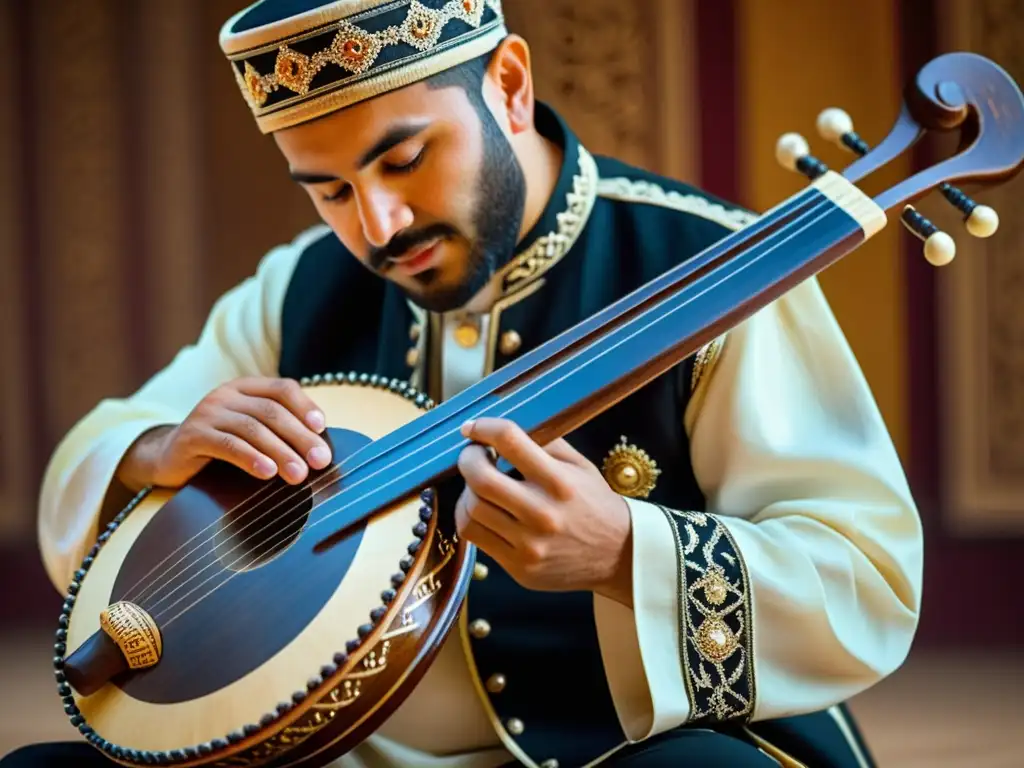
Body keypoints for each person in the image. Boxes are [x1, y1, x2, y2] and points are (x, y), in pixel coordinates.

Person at [3, 0, 922, 766]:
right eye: (327, 190)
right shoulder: (302, 285)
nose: (378, 225)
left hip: (623, 751)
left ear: (510, 88)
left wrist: (626, 553)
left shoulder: (715, 270)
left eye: (403, 159)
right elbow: (103, 448)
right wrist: (162, 448)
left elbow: (868, 580)